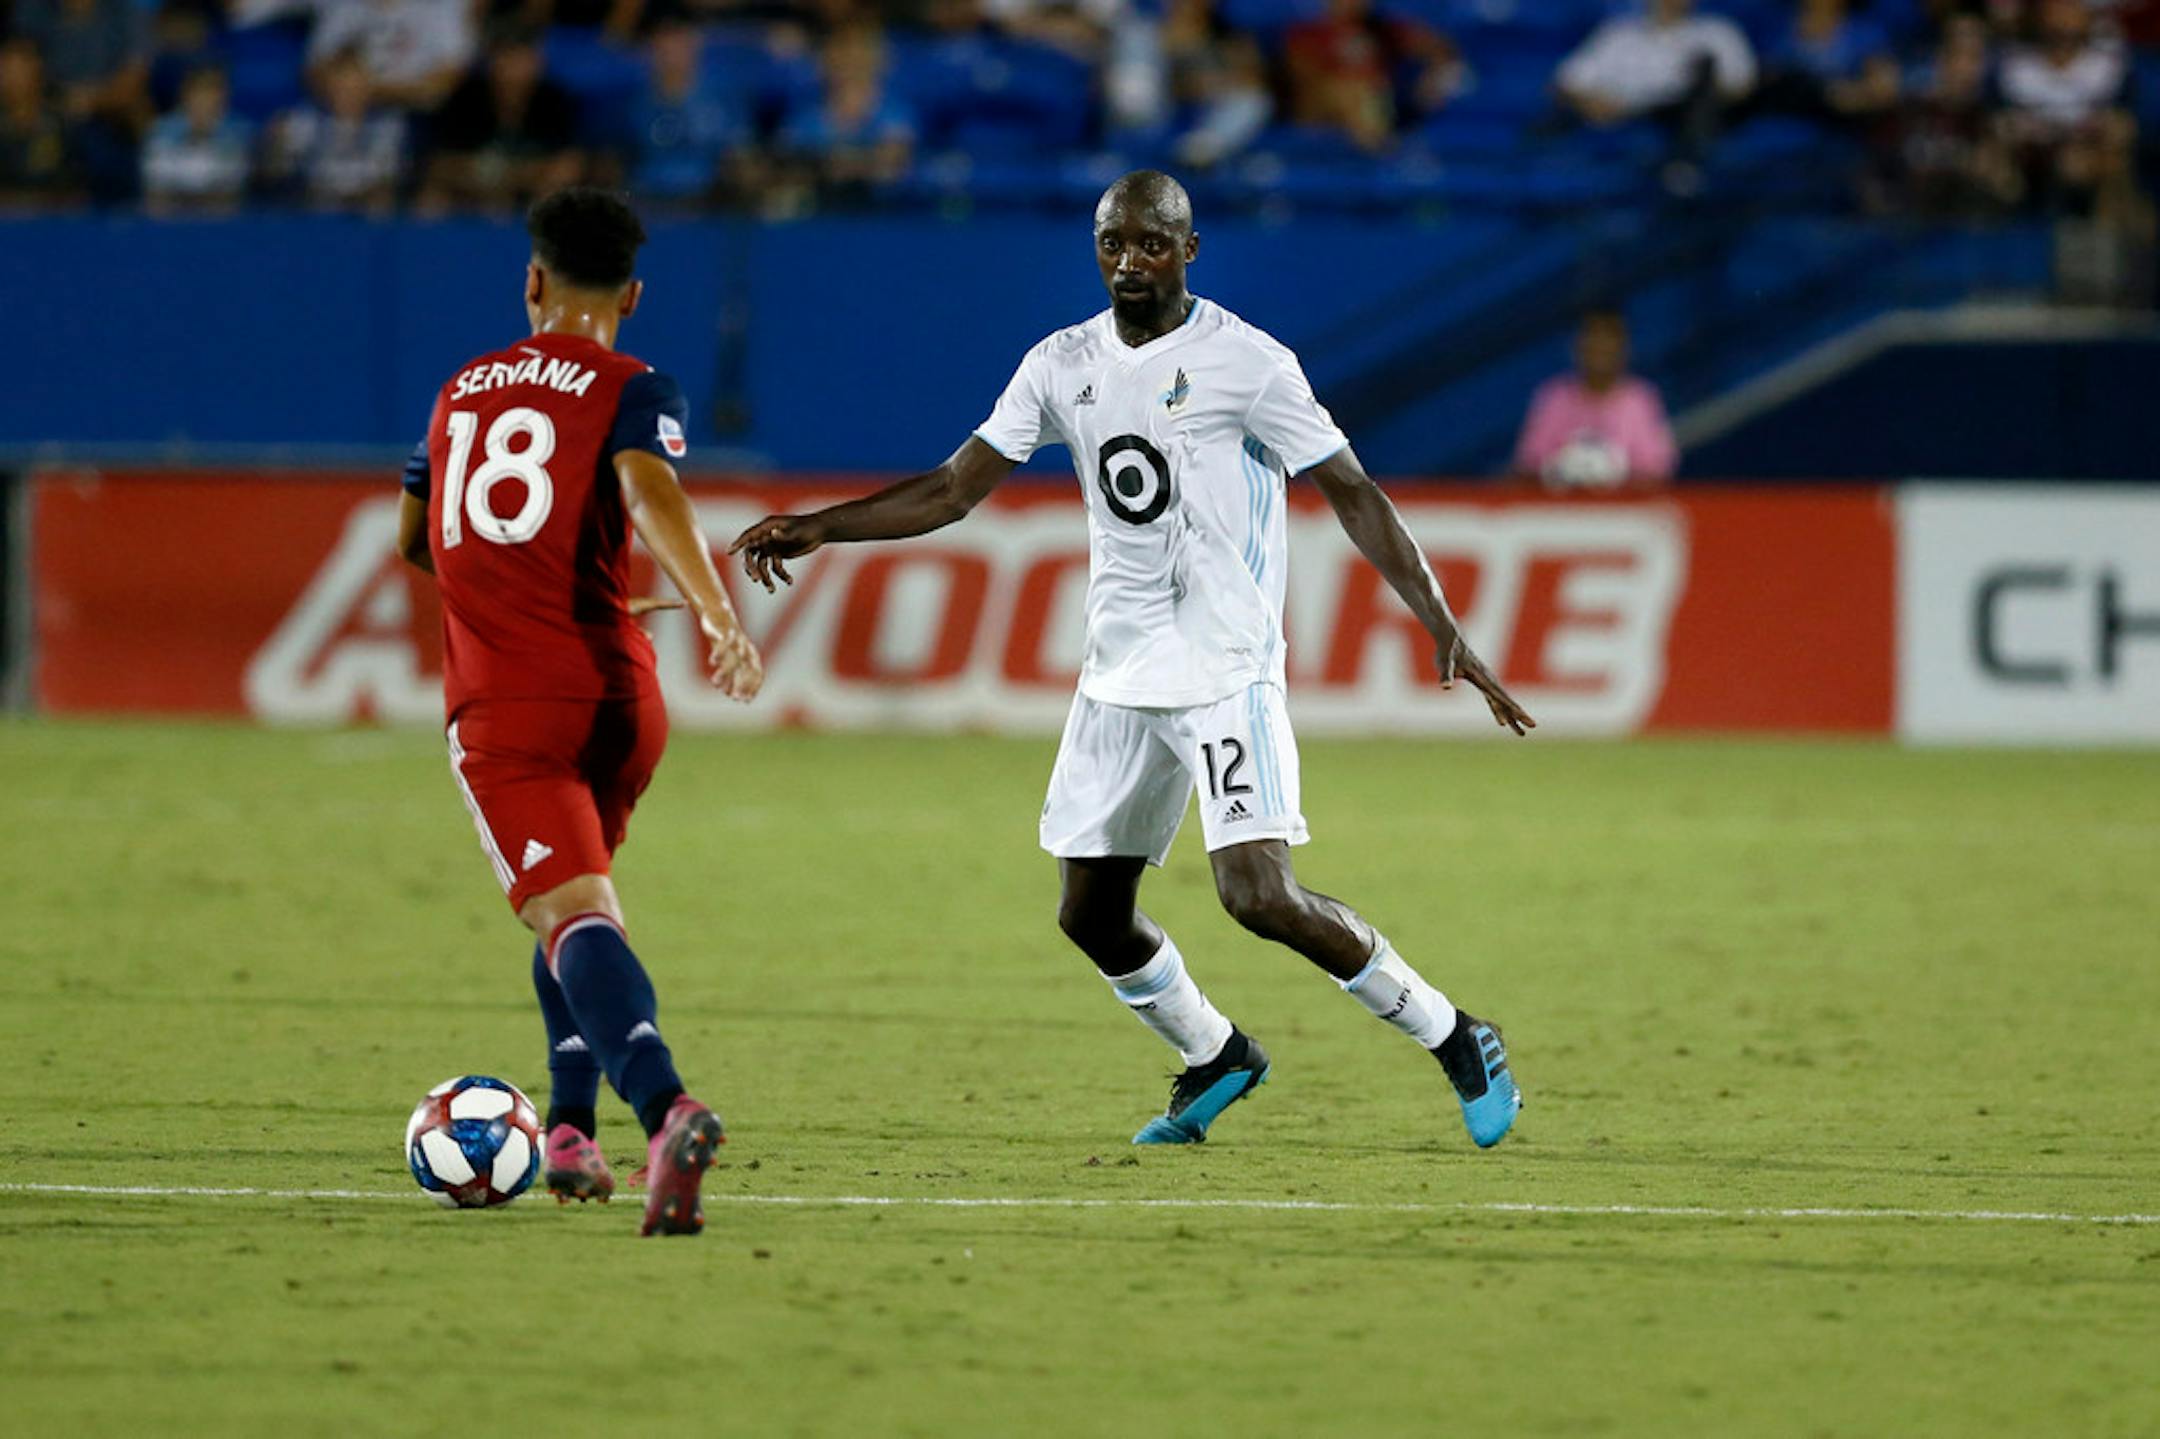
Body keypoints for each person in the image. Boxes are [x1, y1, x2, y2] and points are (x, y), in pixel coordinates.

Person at [733, 170, 1531, 1151]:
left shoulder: (1250, 362)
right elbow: (952, 489)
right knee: (1090, 913)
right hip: (1121, 672)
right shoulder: (1060, 362)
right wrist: (821, 526)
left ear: (1190, 250)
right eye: (1113, 242)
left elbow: (1353, 489)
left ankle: (1458, 1035)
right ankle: (1218, 1053)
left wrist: (1438, 615)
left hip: (1228, 667)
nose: (1129, 261)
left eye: (1151, 243)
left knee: (1257, 893)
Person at [394, 186, 765, 1236]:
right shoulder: (635, 383)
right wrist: (709, 612)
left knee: (566, 912)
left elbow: (419, 542)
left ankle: (666, 1107)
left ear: (532, 279)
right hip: (620, 699)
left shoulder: (459, 390)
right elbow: (648, 490)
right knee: (581, 908)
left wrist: (506, 589)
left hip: (511, 704)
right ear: (633, 296)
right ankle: (566, 1129)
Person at [1513, 309, 1678, 491]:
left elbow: (1658, 470)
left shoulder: (1641, 398)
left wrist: (1610, 476)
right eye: (1592, 336)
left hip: (1624, 512)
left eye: (1609, 338)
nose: (1600, 346)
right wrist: (1564, 473)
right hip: (1564, 510)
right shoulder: (1554, 395)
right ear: (1577, 346)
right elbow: (1527, 465)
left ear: (1624, 348)